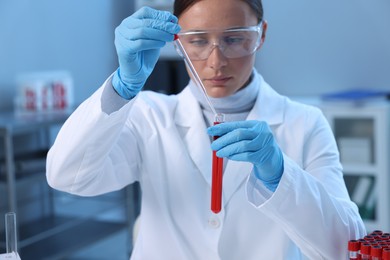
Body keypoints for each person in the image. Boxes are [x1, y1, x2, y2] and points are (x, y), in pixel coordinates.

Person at [46, 0, 366, 259]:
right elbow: (67, 176)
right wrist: (121, 88)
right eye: (197, 41)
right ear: (178, 42)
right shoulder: (148, 116)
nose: (216, 61)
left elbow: (345, 248)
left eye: (234, 38)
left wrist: (280, 175)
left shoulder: (306, 123)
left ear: (261, 34)